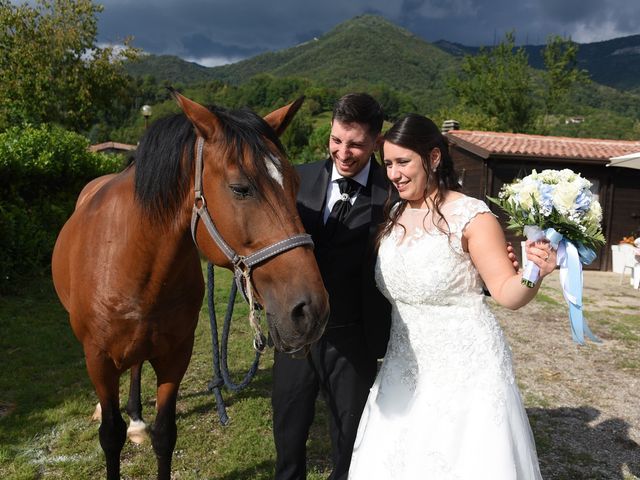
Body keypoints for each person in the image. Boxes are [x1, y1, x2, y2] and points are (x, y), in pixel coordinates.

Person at [348, 114, 556, 480]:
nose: (393, 174)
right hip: (403, 366)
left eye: (403, 162)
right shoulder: (394, 214)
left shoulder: (472, 217)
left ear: (433, 158)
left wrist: (533, 274)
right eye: (389, 164)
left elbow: (507, 294)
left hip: (466, 370)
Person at [271, 93, 391, 480]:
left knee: (350, 440)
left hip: (354, 337)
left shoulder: (393, 194)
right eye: (336, 140)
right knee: (288, 436)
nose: (343, 152)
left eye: (355, 144)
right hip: (296, 335)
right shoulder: (297, 178)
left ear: (375, 142)